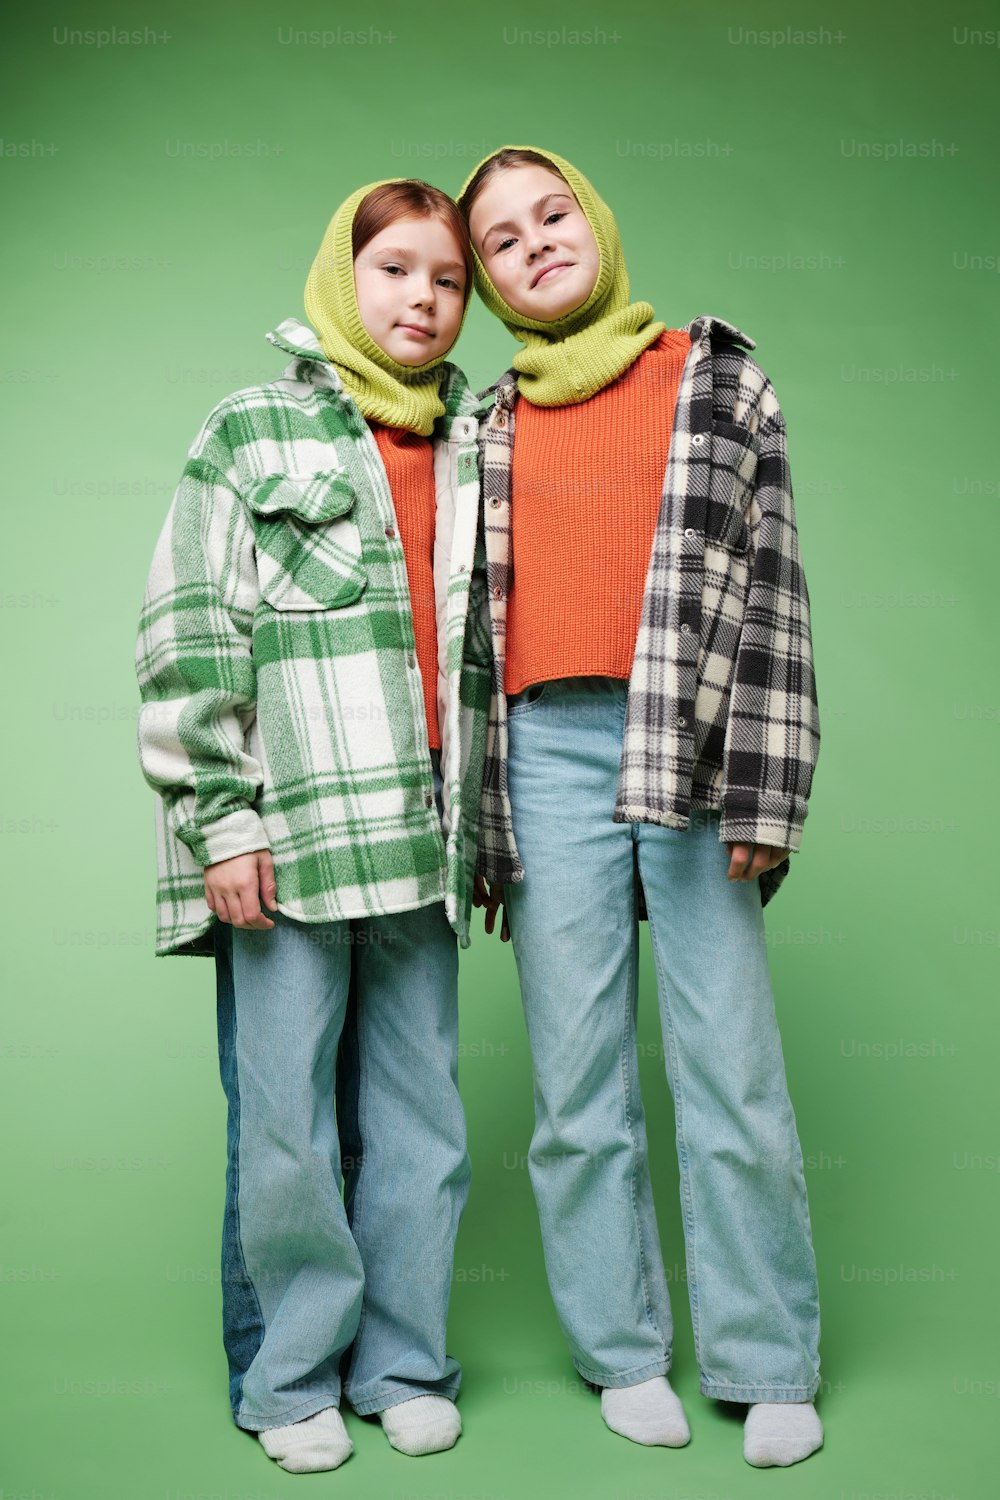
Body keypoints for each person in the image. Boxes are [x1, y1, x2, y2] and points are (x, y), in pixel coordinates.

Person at [460, 146, 824, 1469]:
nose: (536, 242)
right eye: (502, 239)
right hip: (540, 747)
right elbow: (466, 637)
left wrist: (769, 789)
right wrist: (484, 823)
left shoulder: (715, 376)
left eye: (552, 213)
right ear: (490, 279)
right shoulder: (483, 422)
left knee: (731, 1064)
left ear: (595, 220)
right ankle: (621, 1349)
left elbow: (773, 585)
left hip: (695, 742)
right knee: (577, 1081)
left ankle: (767, 1355)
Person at [135, 177, 492, 1474]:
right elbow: (188, 628)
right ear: (344, 275)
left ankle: (400, 1363)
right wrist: (221, 824)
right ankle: (290, 1379)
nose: (423, 299)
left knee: (420, 1126)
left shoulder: (479, 443)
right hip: (288, 840)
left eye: (448, 280)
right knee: (285, 1121)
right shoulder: (252, 429)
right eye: (397, 268)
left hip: (425, 844)